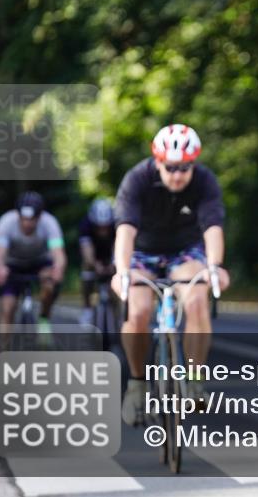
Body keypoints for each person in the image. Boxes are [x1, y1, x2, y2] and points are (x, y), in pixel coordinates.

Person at [111, 123, 230, 426]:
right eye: (171, 167)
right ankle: (137, 385)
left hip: (185, 251)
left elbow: (213, 228)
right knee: (136, 311)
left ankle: (193, 380)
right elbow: (125, 231)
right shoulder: (137, 179)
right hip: (143, 250)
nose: (178, 175)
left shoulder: (204, 181)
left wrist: (215, 267)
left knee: (197, 298)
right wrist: (122, 271)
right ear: (158, 162)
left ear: (194, 163)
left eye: (185, 167)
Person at [0, 192, 67, 332]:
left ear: (39, 216)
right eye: (24, 219)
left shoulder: (50, 223)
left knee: (49, 286)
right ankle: (4, 350)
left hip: (40, 262)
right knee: (7, 308)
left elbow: (58, 254)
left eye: (32, 219)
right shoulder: (6, 222)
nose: (27, 223)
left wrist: (58, 268)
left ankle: (44, 317)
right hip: (13, 264)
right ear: (18, 214)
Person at [78, 198, 117, 326]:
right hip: (94, 254)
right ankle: (87, 308)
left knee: (119, 278)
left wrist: (115, 264)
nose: (103, 231)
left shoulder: (117, 224)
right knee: (86, 271)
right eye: (99, 227)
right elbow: (86, 250)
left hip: (111, 254)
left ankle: (118, 314)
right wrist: (94, 265)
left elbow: (119, 246)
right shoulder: (85, 225)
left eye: (106, 227)